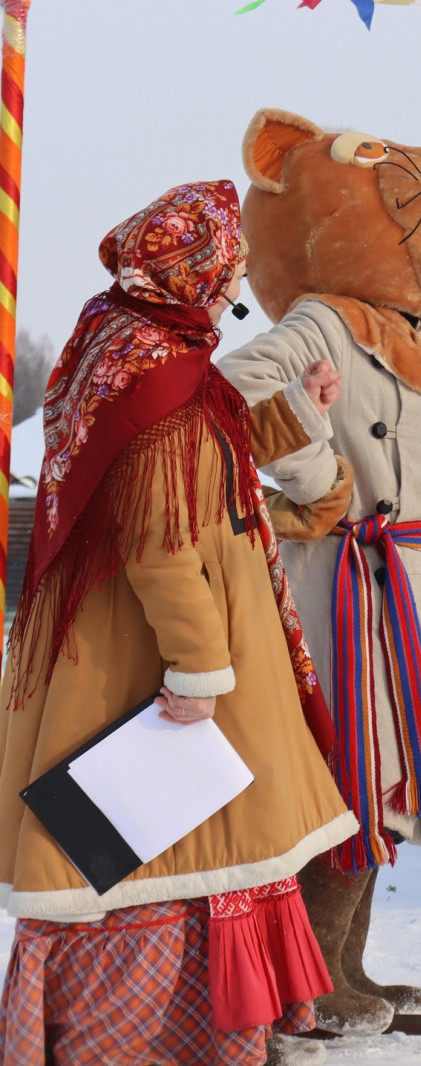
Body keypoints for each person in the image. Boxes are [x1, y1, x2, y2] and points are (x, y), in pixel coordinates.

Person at [0, 182, 357, 1063]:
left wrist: (300, 410)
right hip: (157, 666)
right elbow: (165, 544)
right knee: (179, 843)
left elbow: (212, 451)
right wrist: (198, 674)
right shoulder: (156, 377)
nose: (238, 276)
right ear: (199, 269)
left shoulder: (123, 345)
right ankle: (161, 1033)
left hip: (124, 649)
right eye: (230, 263)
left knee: (173, 842)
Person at [219, 122, 421, 1029]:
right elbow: (232, 397)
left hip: (414, 590)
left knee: (391, 783)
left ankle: (346, 968)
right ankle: (308, 980)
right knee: (340, 775)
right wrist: (321, 481)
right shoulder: (319, 319)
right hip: (334, 585)